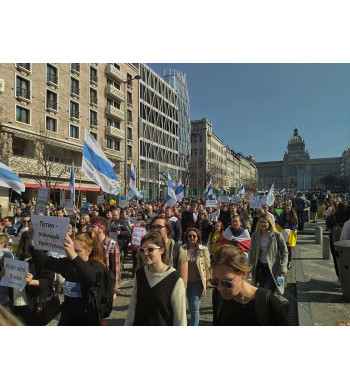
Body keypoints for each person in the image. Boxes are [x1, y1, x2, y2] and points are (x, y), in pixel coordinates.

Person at [30, 229, 106, 326]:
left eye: (78, 251)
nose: (72, 253)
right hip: (68, 316)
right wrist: (33, 240)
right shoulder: (68, 264)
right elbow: (44, 261)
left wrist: (73, 255)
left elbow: (92, 278)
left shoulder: (97, 266)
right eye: (72, 250)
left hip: (87, 318)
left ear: (89, 251)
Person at [211, 245, 289, 325]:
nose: (220, 288)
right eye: (215, 281)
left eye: (226, 282)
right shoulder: (218, 295)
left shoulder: (270, 303)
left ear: (243, 274)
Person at [125, 233, 187, 326]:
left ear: (161, 250)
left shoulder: (174, 278)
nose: (145, 253)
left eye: (150, 249)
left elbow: (180, 318)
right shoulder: (140, 274)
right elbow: (133, 306)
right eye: (142, 250)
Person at [9, 231, 55, 325]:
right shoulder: (17, 259)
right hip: (17, 302)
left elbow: (48, 280)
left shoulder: (44, 260)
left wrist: (32, 281)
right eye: (28, 242)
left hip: (34, 304)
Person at [138, 216, 189, 287]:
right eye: (153, 227)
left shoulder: (177, 250)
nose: (155, 230)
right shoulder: (144, 248)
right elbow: (139, 274)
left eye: (159, 227)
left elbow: (183, 283)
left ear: (167, 229)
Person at [248, 214, 288, 294]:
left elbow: (284, 252)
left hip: (272, 268)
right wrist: (249, 266)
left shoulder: (277, 235)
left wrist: (283, 268)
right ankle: (267, 305)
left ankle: (269, 304)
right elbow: (251, 251)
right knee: (263, 288)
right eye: (261, 222)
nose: (262, 224)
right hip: (260, 266)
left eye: (265, 222)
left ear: (270, 223)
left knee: (267, 288)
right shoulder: (255, 235)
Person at [182, 227, 210, 326]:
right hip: (185, 281)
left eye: (194, 236)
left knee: (194, 305)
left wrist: (208, 280)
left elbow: (208, 265)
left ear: (198, 237)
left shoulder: (203, 249)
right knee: (190, 303)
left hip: (198, 281)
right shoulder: (183, 249)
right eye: (190, 236)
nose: (192, 238)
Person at [89, 216, 121, 299]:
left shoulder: (112, 244)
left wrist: (115, 287)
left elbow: (116, 267)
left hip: (105, 281)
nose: (90, 228)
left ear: (101, 229)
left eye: (93, 226)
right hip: (92, 278)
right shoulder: (90, 242)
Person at [276, 203, 298, 270]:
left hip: (291, 232)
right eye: (286, 208)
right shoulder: (282, 215)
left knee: (290, 247)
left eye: (288, 208)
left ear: (291, 208)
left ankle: (289, 262)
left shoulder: (293, 215)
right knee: (282, 247)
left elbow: (295, 223)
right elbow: (279, 223)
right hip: (283, 231)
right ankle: (282, 261)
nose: (287, 209)